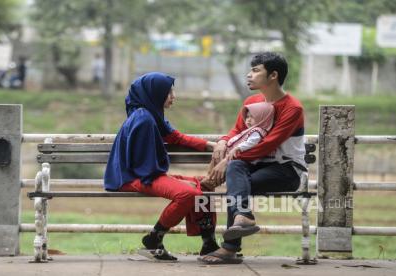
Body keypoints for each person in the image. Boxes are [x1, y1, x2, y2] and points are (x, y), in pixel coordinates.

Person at [199, 52, 307, 264]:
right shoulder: (252, 102)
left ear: (273, 75)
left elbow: (268, 143)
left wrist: (226, 161)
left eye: (256, 71)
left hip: (286, 170)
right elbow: (237, 131)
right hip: (254, 166)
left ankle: (230, 248)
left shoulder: (293, 108)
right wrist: (222, 142)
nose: (249, 75)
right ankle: (243, 217)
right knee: (237, 174)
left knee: (236, 182)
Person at [104, 72, 219, 261]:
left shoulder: (151, 115)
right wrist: (178, 182)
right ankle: (154, 238)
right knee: (188, 194)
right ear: (155, 93)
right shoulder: (144, 119)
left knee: (204, 184)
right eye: (169, 92)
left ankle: (208, 243)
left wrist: (209, 145)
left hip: (146, 172)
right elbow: (142, 167)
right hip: (132, 177)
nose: (174, 97)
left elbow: (175, 137)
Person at [200, 101, 275, 189]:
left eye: (252, 117)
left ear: (262, 118)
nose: (248, 120)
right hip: (229, 155)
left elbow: (251, 142)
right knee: (214, 162)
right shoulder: (249, 130)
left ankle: (210, 183)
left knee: (222, 171)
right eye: (247, 117)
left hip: (237, 157)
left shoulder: (257, 131)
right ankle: (208, 178)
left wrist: (238, 148)